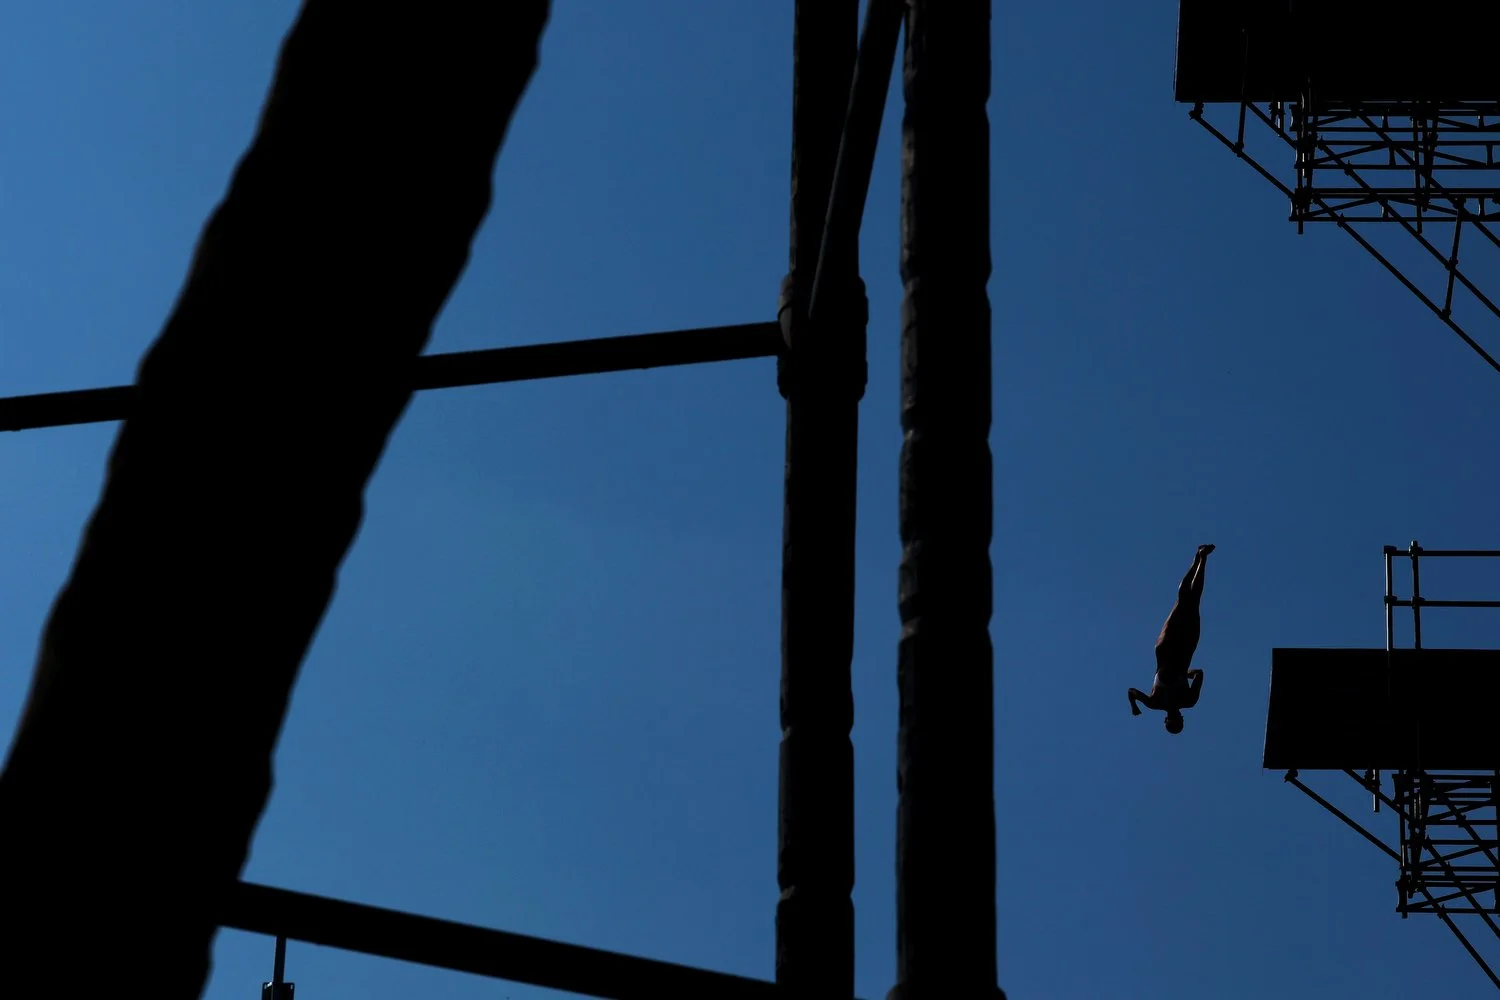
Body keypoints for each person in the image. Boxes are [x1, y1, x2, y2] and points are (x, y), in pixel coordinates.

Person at [1129, 544, 1214, 734]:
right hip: (1185, 648)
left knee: (1184, 600)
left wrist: (1134, 706)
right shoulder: (1188, 700)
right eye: (1178, 722)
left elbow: (1131, 692)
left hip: (1166, 648)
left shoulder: (1155, 702)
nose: (1175, 719)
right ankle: (1202, 558)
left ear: (1166, 720)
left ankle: (1198, 560)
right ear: (1181, 720)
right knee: (1192, 602)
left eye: (1171, 722)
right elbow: (1199, 673)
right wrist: (1185, 674)